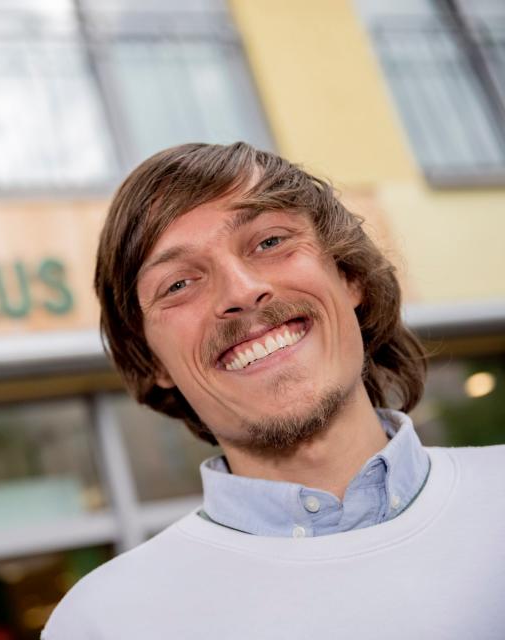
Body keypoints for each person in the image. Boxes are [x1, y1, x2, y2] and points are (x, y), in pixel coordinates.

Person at [42, 142, 505, 639]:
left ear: (348, 275)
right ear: (153, 360)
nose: (241, 291)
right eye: (178, 284)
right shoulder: (103, 624)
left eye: (269, 242)